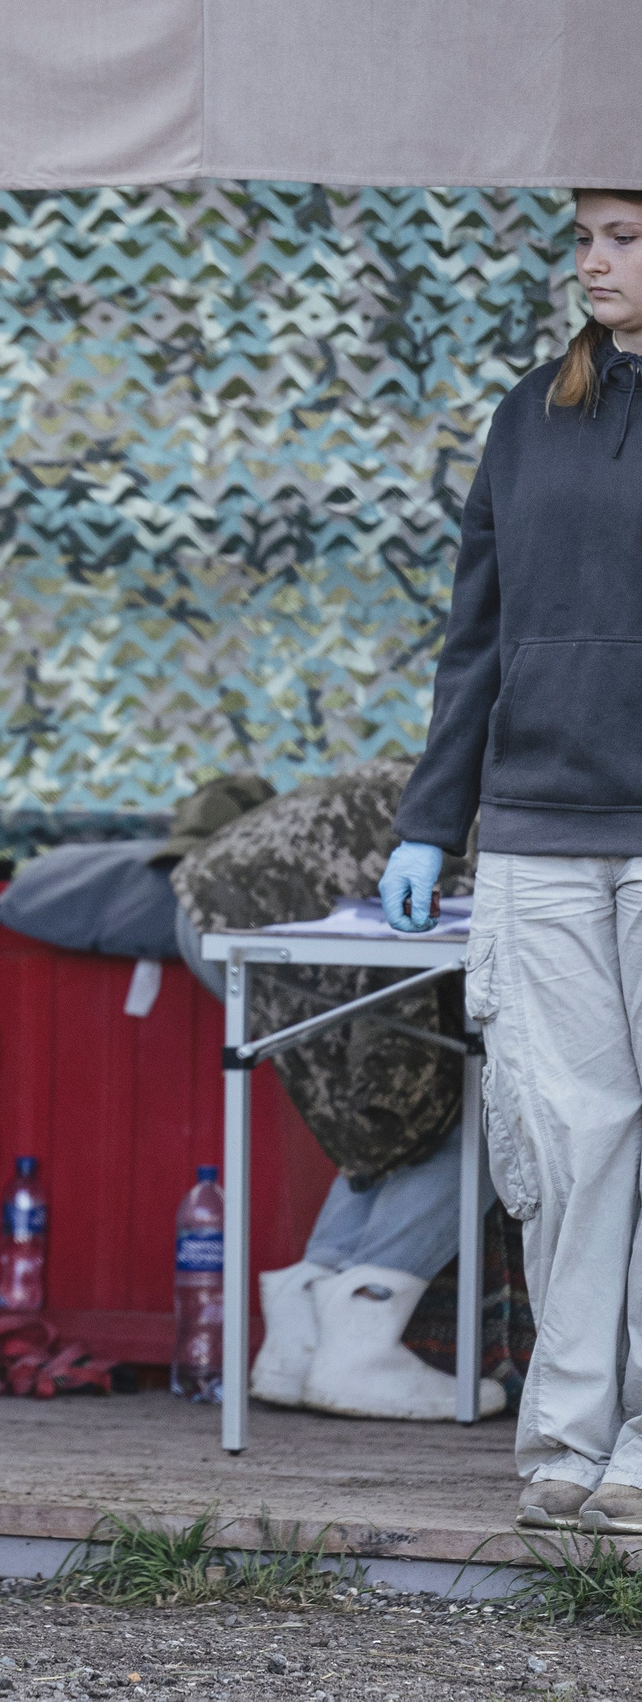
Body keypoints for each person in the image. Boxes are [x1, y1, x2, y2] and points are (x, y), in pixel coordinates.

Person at [380, 188, 642, 1536]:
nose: (593, 261)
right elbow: (473, 632)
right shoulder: (533, 411)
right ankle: (569, 1432)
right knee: (567, 1145)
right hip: (537, 833)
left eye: (626, 236)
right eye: (585, 235)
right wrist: (434, 818)